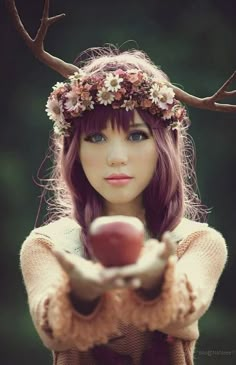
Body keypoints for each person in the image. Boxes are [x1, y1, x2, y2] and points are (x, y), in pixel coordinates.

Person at [19, 47, 229, 365]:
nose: (117, 156)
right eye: (96, 138)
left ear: (163, 146)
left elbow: (184, 309)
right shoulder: (51, 247)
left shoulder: (195, 242)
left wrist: (155, 282)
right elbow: (53, 330)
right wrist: (80, 294)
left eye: (135, 135)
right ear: (74, 150)